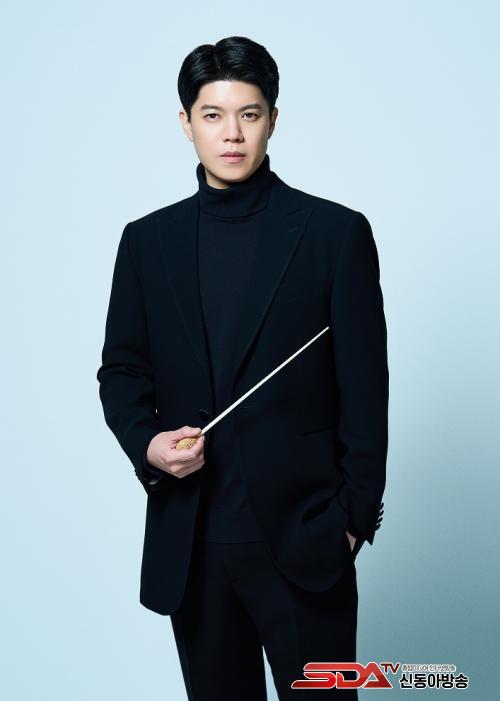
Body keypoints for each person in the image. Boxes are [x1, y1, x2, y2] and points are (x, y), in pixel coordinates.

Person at [97, 35, 388, 701]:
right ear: (186, 122)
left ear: (272, 119)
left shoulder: (335, 234)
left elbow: (367, 389)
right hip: (193, 545)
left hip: (306, 542)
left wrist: (351, 522)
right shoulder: (146, 242)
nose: (232, 133)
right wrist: (148, 444)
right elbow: (122, 372)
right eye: (213, 115)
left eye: (249, 114)